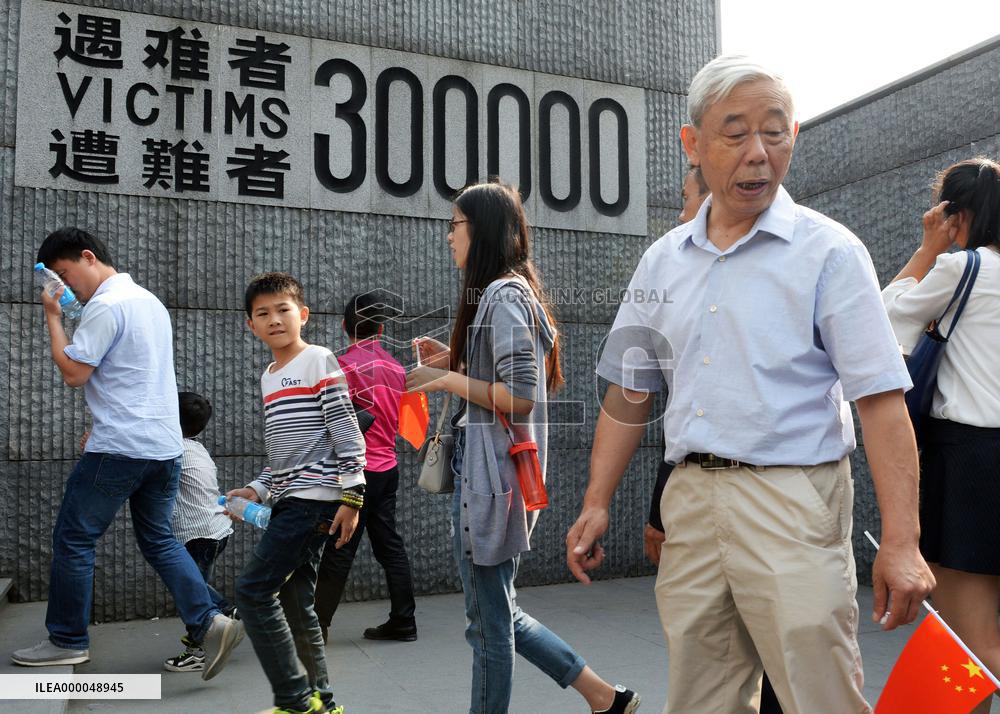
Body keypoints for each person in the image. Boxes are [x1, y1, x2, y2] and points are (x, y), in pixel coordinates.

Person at [566, 55, 935, 714]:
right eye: (735, 133)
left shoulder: (829, 252)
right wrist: (597, 501)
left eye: (775, 131)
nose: (758, 153)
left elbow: (881, 403)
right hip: (690, 504)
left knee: (819, 695)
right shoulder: (662, 261)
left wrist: (903, 542)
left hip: (793, 500)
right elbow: (629, 392)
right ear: (692, 143)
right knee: (700, 698)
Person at [406, 181, 640, 714]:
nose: (448, 237)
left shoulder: (503, 295)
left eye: (454, 225)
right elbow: (501, 379)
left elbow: (519, 396)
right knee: (498, 614)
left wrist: (445, 380)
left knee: (488, 628)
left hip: (491, 480)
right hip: (491, 475)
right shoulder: (503, 294)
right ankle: (605, 698)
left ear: (482, 230)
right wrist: (453, 360)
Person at [12, 228, 243, 682]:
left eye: (65, 274)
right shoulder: (148, 301)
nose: (66, 286)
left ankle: (67, 640)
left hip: (120, 447)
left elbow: (75, 374)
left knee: (74, 539)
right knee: (159, 540)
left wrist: (53, 317)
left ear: (88, 256)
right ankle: (209, 620)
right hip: (165, 448)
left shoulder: (106, 305)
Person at [643, 166, 784, 714]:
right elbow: (686, 412)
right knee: (710, 665)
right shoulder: (670, 264)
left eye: (685, 200)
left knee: (793, 654)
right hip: (697, 489)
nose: (681, 215)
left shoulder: (813, 253)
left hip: (782, 492)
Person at [882, 157, 1000, 714]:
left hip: (973, 463)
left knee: (970, 644)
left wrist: (929, 248)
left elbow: (881, 324)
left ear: (957, 214)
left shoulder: (964, 269)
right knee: (966, 647)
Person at [228, 272, 367, 714]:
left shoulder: (318, 359)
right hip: (292, 499)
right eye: (262, 313)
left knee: (252, 592)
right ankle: (322, 702)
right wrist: (257, 489)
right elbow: (286, 452)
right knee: (295, 602)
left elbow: (345, 427)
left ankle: (295, 700)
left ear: (303, 314)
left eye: (283, 310)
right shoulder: (270, 376)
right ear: (251, 325)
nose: (274, 319)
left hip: (314, 502)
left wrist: (353, 496)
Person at [314, 291, 417, 644]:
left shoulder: (342, 367)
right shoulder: (397, 368)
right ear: (381, 328)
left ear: (345, 326)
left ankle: (317, 627)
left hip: (354, 471)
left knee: (340, 545)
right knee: (389, 545)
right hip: (387, 468)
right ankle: (404, 620)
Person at [163, 391, 238, 673]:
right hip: (214, 529)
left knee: (191, 594)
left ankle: (196, 651)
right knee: (195, 587)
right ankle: (232, 613)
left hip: (198, 535)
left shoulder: (173, 449)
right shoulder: (195, 447)